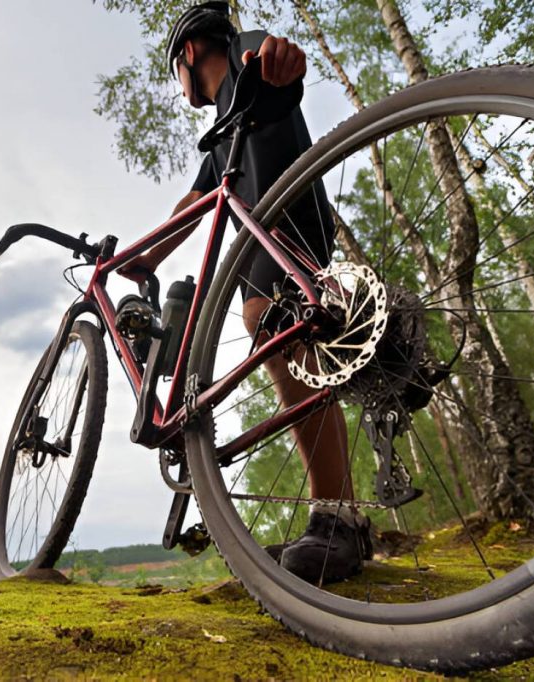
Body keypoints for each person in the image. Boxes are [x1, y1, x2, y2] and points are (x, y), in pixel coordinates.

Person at [121, 2, 370, 584]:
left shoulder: (239, 62)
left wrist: (281, 64)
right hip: (289, 228)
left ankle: (335, 517)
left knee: (267, 320)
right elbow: (194, 205)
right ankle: (347, 518)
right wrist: (142, 259)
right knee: (285, 339)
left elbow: (270, 59)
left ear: (187, 54)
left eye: (174, 73)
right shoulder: (219, 140)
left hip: (281, 223)